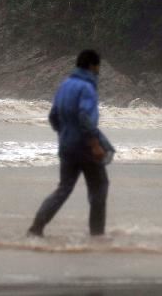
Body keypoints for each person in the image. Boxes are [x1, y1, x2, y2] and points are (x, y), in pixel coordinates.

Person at [28, 49, 114, 237]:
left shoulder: (64, 85)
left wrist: (64, 135)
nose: (99, 70)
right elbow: (84, 116)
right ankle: (97, 234)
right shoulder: (87, 88)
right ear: (93, 65)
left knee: (64, 188)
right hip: (85, 147)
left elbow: (53, 116)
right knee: (99, 188)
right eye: (98, 66)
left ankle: (36, 227)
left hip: (66, 145)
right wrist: (95, 144)